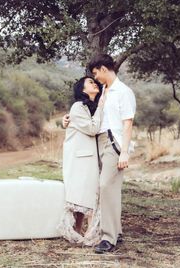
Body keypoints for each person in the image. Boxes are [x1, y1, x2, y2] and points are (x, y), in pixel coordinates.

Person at [63, 54, 136, 253]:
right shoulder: (104, 91)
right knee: (110, 188)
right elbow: (87, 115)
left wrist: (124, 153)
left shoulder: (123, 92)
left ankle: (108, 238)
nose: (96, 78)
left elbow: (127, 123)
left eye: (96, 73)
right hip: (99, 144)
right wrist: (66, 120)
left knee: (105, 186)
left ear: (104, 69)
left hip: (113, 143)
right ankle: (117, 232)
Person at [57, 76, 105, 246]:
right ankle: (89, 235)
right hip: (80, 158)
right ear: (83, 90)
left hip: (87, 157)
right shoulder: (79, 106)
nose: (94, 83)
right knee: (86, 195)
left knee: (85, 195)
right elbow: (92, 129)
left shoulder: (89, 107)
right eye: (90, 82)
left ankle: (80, 231)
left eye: (95, 81)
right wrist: (99, 108)